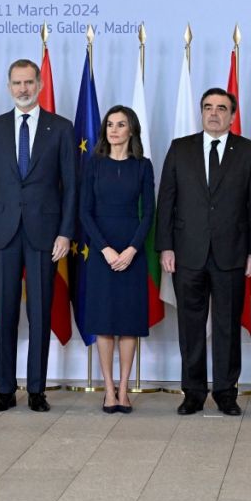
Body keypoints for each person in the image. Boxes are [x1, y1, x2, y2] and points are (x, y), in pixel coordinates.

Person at [0, 59, 76, 413]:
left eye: (29, 82)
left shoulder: (61, 128)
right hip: (2, 234)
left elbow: (71, 186)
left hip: (45, 235)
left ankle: (36, 389)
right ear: (8, 86)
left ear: (40, 84)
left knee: (40, 313)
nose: (23, 89)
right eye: (17, 83)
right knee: (5, 312)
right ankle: (4, 389)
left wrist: (65, 232)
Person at [156, 88, 251, 416]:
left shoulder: (247, 151)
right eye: (208, 107)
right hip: (187, 252)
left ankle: (226, 392)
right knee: (191, 326)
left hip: (232, 253)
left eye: (221, 108)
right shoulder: (180, 149)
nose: (214, 113)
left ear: (232, 115)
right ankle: (193, 392)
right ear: (201, 112)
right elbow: (167, 201)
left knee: (227, 325)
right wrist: (165, 247)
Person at [80, 106, 155, 414]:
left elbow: (149, 211)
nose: (113, 129)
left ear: (131, 130)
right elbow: (84, 212)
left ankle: (124, 389)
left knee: (127, 323)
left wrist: (132, 249)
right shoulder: (93, 164)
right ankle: (108, 389)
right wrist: (106, 249)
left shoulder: (143, 166)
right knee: (104, 323)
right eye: (109, 124)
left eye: (120, 124)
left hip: (132, 251)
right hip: (102, 252)